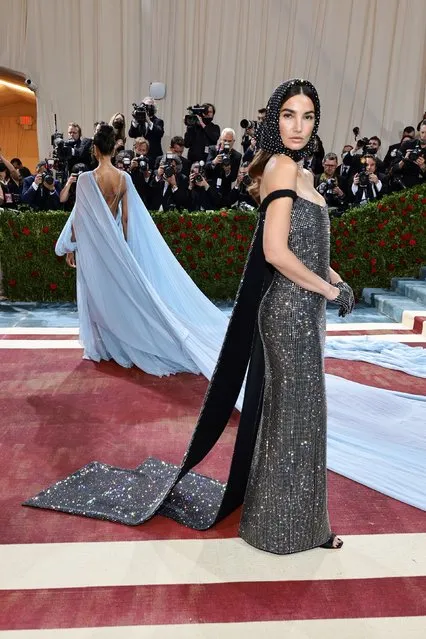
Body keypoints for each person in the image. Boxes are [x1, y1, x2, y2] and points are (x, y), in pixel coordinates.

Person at [29, 83, 355, 556]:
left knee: (301, 416)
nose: (299, 126)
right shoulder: (282, 168)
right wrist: (329, 290)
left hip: (306, 312)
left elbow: (309, 248)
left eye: (307, 116)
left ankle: (302, 523)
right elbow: (276, 252)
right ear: (275, 121)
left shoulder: (300, 173)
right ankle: (282, 528)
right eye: (288, 115)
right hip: (288, 313)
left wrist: (336, 280)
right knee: (293, 417)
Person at [55, 124, 228, 375]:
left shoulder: (84, 179)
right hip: (114, 244)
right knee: (116, 292)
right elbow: (126, 219)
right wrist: (125, 248)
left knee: (95, 291)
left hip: (92, 247)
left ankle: (104, 344)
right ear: (113, 149)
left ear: (94, 150)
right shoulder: (123, 178)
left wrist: (71, 246)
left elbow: (79, 218)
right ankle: (119, 339)